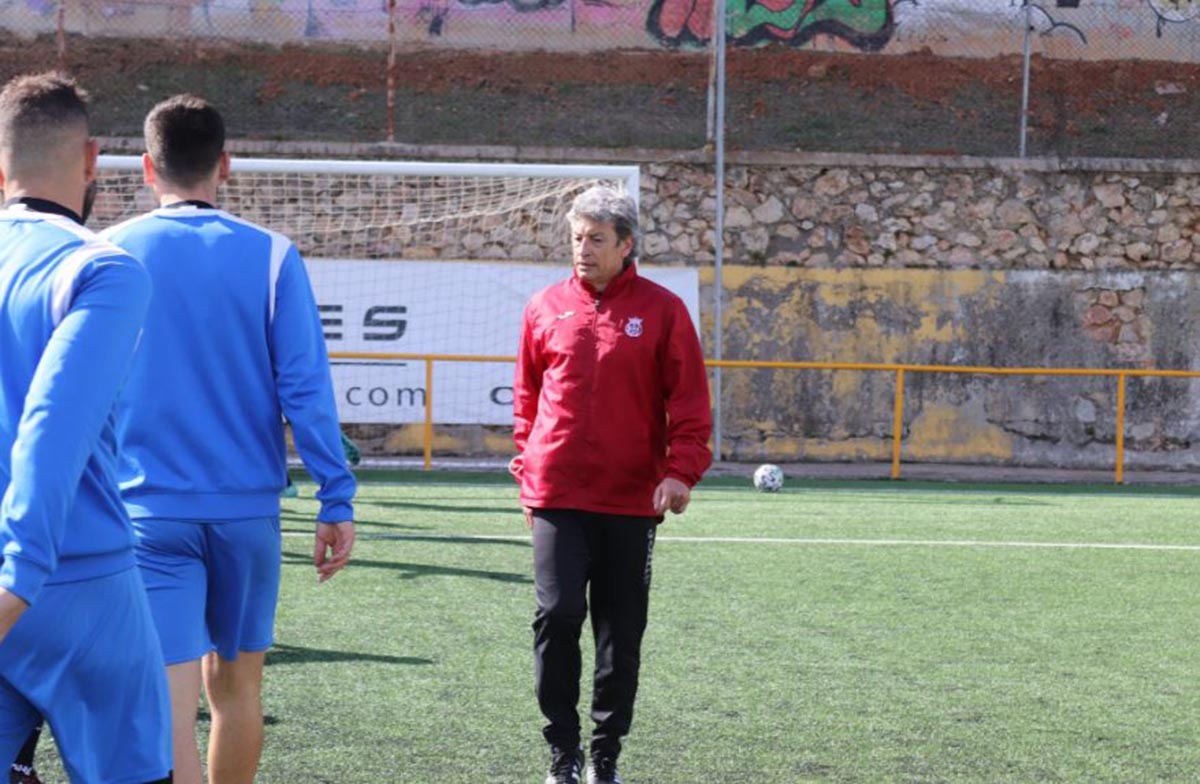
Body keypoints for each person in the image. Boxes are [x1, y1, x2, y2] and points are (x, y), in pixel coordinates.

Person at [101, 94, 356, 784]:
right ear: (226, 165)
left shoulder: (107, 253)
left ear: (148, 169)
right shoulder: (273, 255)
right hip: (247, 514)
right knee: (239, 693)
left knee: (169, 699)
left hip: (147, 511)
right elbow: (305, 388)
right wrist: (336, 497)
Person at [0, 72, 172, 783]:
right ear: (93, 158)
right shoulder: (101, 267)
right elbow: (53, 421)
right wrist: (19, 576)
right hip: (71, 581)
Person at [511, 186, 712, 784]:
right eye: (576, 237)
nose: (583, 249)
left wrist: (681, 471)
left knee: (620, 630)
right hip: (556, 492)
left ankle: (605, 756)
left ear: (626, 245)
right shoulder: (544, 307)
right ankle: (561, 752)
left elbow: (690, 402)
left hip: (631, 498)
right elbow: (527, 399)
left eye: (596, 239)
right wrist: (527, 470)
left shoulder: (663, 309)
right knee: (557, 612)